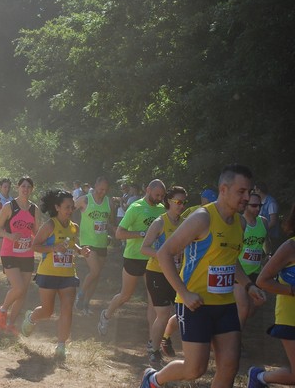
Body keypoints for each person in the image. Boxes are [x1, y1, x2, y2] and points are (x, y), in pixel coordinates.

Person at [141, 164, 266, 388]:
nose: (247, 197)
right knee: (194, 369)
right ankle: (153, 379)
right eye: (241, 191)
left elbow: (229, 258)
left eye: (249, 192)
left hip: (226, 304)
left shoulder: (240, 222)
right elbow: (164, 253)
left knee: (229, 367)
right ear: (224, 189)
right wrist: (184, 293)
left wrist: (248, 285)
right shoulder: (202, 218)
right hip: (194, 305)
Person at [20, 189, 91, 360]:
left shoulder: (74, 227)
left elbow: (72, 245)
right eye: (67, 207)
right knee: (48, 310)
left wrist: (82, 251)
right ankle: (31, 317)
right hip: (48, 273)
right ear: (57, 207)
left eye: (72, 207)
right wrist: (53, 249)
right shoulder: (50, 225)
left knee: (67, 309)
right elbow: (35, 246)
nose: (70, 210)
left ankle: (61, 346)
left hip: (68, 274)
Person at [98, 179, 167, 337]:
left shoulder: (162, 210)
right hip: (134, 256)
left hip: (153, 259)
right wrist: (143, 234)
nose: (159, 198)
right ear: (148, 190)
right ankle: (106, 315)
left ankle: (152, 342)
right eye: (157, 194)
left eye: (162, 196)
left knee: (153, 300)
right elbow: (119, 233)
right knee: (126, 295)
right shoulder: (135, 208)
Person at [248, 204, 295, 388]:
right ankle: (259, 377)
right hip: (290, 317)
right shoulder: (290, 246)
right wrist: (291, 290)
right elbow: (263, 280)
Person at [140, 186, 187, 367]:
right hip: (157, 273)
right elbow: (144, 248)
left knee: (182, 311)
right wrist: (163, 254)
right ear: (169, 202)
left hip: (176, 273)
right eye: (178, 202)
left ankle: (164, 339)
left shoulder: (185, 223)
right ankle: (153, 350)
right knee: (163, 313)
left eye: (184, 202)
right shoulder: (160, 222)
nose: (181, 206)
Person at [0, 176, 39, 335]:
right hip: (9, 252)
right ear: (18, 188)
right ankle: (2, 309)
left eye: (29, 186)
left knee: (23, 291)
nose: (25, 189)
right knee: (18, 287)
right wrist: (10, 236)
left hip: (27, 253)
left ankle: (11, 324)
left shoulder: (34, 209)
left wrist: (40, 239)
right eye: (23, 186)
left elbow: (36, 232)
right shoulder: (9, 206)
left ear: (32, 189)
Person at [74, 176, 116, 315]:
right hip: (87, 241)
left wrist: (112, 231)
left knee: (96, 276)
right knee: (95, 270)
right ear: (95, 186)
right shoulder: (85, 199)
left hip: (102, 242)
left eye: (105, 190)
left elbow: (110, 221)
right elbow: (67, 211)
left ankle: (86, 304)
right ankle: (80, 294)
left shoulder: (109, 202)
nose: (102, 192)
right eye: (100, 189)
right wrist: (69, 227)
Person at [235, 192, 268, 329]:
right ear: (245, 206)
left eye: (259, 205)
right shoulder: (239, 223)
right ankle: (236, 341)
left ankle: (230, 328)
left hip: (256, 271)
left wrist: (268, 254)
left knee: (255, 306)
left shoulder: (263, 222)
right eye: (254, 205)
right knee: (243, 307)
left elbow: (266, 240)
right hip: (239, 272)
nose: (257, 208)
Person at [255, 182, 280, 254]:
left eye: (254, 190)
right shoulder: (260, 203)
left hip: (271, 237)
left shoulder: (271, 203)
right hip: (263, 237)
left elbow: (273, 222)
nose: (253, 192)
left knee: (271, 257)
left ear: (259, 190)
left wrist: (261, 231)